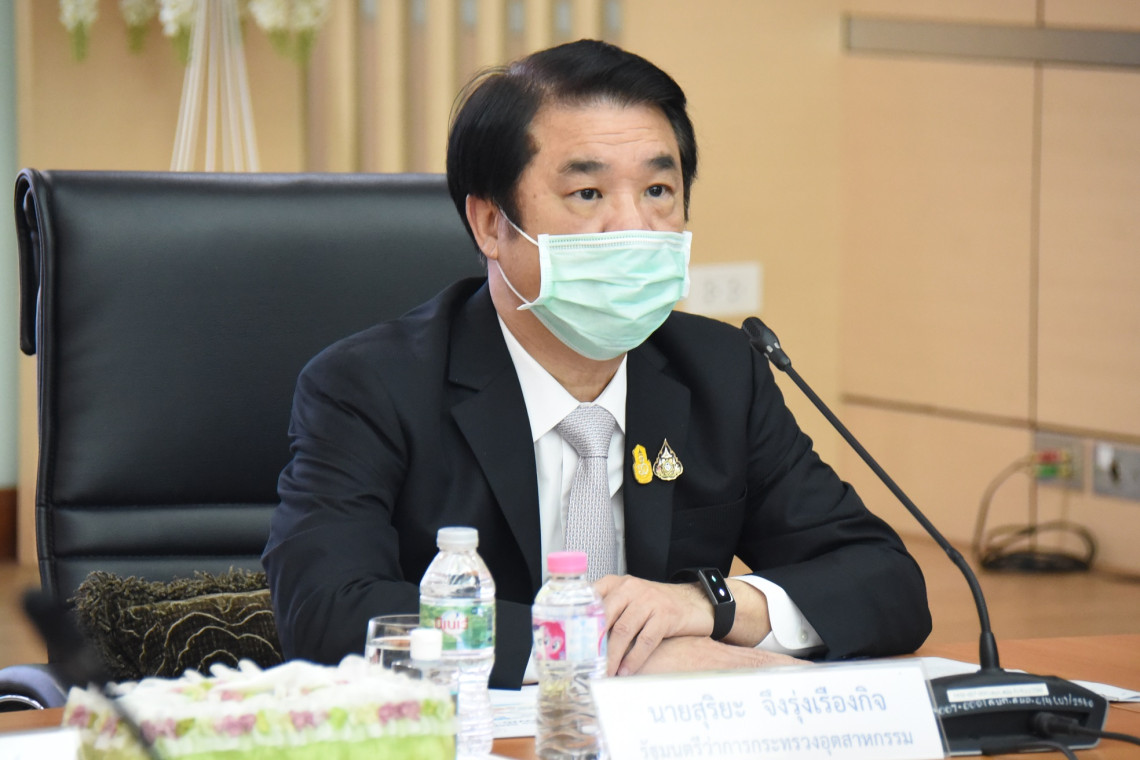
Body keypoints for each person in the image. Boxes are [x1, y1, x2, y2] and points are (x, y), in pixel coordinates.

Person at [263, 39, 931, 689]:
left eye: (659, 190)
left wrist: (709, 606)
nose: (634, 226)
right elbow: (325, 610)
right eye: (588, 194)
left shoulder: (721, 372)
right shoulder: (370, 386)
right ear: (492, 224)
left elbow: (884, 582)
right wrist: (598, 652)